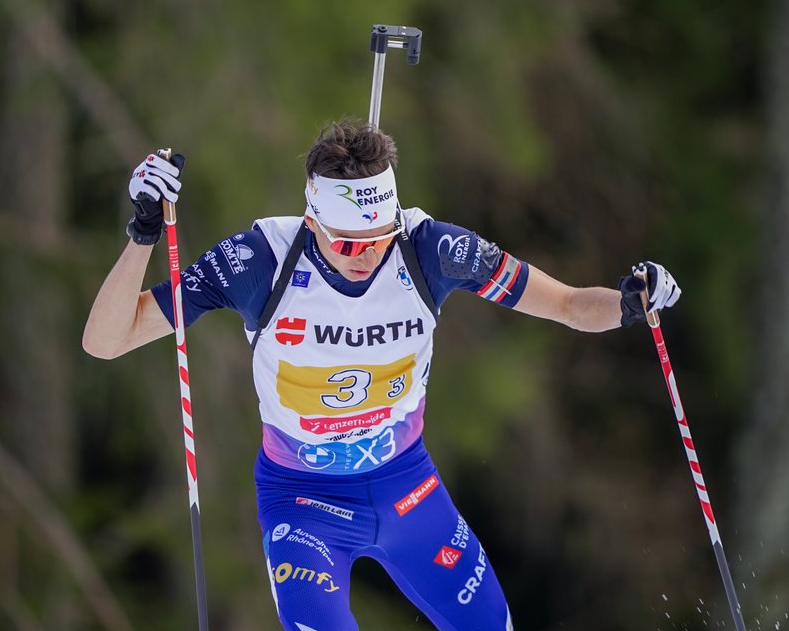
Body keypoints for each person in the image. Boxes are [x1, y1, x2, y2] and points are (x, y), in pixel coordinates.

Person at [83, 118, 681, 631]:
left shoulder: (431, 250)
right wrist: (142, 236)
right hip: (303, 500)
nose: (366, 256)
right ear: (312, 219)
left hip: (407, 489)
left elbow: (571, 304)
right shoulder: (261, 259)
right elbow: (107, 341)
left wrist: (632, 301)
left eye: (378, 238)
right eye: (347, 244)